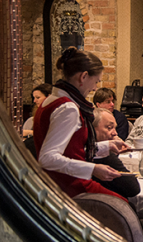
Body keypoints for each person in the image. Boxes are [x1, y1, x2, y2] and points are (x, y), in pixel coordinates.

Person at [32, 47, 128, 201]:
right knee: (123, 204)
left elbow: (71, 150)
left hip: (55, 182)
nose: (95, 88)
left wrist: (107, 146)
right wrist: (93, 168)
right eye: (96, 81)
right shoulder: (68, 108)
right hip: (69, 185)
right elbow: (47, 158)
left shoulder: (50, 100)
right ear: (83, 77)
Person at [91, 108, 140, 198]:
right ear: (92, 129)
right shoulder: (103, 157)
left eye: (115, 128)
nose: (115, 133)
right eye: (109, 128)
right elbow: (133, 188)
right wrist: (109, 153)